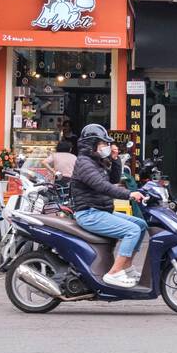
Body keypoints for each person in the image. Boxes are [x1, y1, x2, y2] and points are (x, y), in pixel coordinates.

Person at [70, 123, 147, 288]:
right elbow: (103, 187)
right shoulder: (84, 163)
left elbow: (112, 180)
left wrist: (115, 159)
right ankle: (114, 273)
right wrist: (129, 194)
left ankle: (126, 267)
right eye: (103, 143)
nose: (107, 147)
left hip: (101, 211)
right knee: (131, 230)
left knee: (140, 225)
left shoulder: (96, 161)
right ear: (92, 144)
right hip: (89, 214)